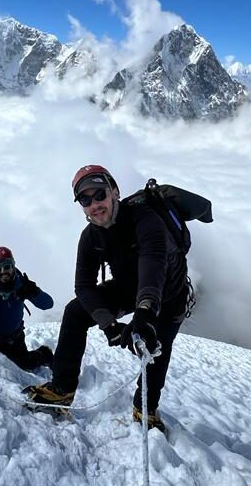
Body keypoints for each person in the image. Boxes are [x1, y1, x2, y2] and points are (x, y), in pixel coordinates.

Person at [24, 165, 190, 432]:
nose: (94, 205)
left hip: (169, 295)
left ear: (115, 192)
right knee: (76, 312)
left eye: (99, 195)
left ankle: (144, 408)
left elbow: (153, 264)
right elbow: (84, 287)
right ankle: (62, 388)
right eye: (85, 200)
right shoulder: (91, 237)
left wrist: (145, 314)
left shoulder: (145, 220)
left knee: (156, 346)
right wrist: (109, 325)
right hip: (128, 287)